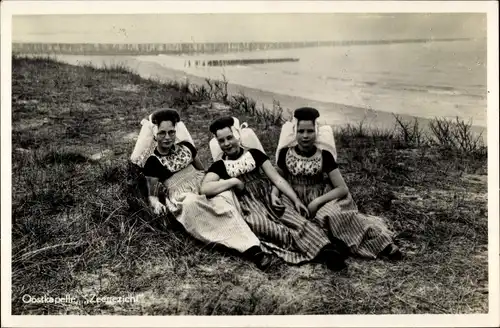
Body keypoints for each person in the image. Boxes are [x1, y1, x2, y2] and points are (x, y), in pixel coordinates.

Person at [200, 116, 348, 271]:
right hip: (249, 202)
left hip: (268, 194)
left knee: (292, 218)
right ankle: (317, 249)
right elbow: (204, 188)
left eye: (230, 138)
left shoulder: (254, 154)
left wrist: (295, 199)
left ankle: (328, 249)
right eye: (221, 141)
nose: (227, 144)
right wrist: (233, 182)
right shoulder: (220, 165)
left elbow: (277, 179)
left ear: (237, 135)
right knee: (264, 225)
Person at [135, 108, 274, 270]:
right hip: (181, 195)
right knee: (192, 204)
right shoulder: (152, 162)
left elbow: (203, 171)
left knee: (224, 196)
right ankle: (250, 249)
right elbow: (152, 195)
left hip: (201, 183)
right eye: (162, 133)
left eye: (171, 132)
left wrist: (215, 184)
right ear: (154, 134)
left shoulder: (186, 147)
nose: (167, 137)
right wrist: (156, 204)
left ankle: (251, 237)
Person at [273, 107, 403, 260]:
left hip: (319, 196)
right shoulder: (285, 153)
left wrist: (317, 201)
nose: (305, 136)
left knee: (333, 216)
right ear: (295, 132)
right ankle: (328, 247)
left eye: (310, 131)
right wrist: (274, 194)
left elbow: (342, 188)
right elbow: (278, 179)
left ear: (316, 132)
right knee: (285, 216)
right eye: (301, 131)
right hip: (292, 196)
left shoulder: (324, 155)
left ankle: (382, 244)